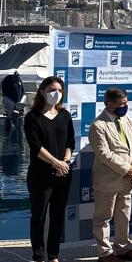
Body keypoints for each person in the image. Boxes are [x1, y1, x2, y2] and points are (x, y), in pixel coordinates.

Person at [89, 88, 132, 262]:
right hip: (108, 181)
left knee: (124, 216)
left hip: (128, 180)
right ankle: (105, 253)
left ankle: (123, 248)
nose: (126, 106)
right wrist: (126, 168)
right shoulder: (98, 126)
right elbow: (104, 154)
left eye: (126, 102)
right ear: (109, 104)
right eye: (122, 104)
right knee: (103, 218)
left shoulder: (126, 119)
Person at [24, 76, 75, 262]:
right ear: (42, 91)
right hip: (40, 176)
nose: (57, 94)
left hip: (63, 174)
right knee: (39, 216)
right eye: (53, 90)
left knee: (58, 216)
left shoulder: (65, 115)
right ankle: (38, 255)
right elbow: (36, 147)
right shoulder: (32, 117)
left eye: (60, 91)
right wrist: (56, 162)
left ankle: (53, 255)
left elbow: (71, 142)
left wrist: (66, 162)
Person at [2, 70, 25, 139]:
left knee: (12, 121)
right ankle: (13, 136)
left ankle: (9, 136)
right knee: (15, 123)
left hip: (14, 104)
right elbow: (22, 91)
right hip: (16, 104)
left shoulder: (8, 80)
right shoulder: (17, 80)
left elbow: (4, 92)